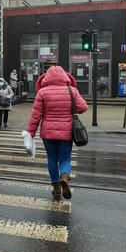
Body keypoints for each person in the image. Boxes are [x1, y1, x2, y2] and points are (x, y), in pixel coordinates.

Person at [26, 66, 88, 200]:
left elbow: (35, 115)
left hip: (48, 133)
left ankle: (56, 188)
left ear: (46, 78)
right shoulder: (72, 91)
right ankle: (64, 176)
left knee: (52, 159)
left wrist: (31, 132)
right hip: (66, 132)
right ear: (65, 76)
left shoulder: (42, 93)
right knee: (65, 158)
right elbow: (83, 107)